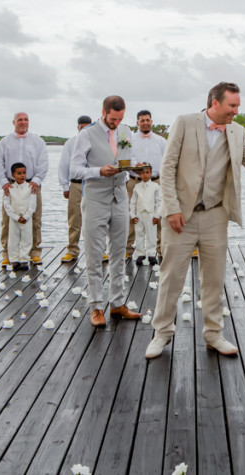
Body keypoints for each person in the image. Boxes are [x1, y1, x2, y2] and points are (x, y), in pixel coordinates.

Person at [146, 82, 245, 359]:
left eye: (237, 106)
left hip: (216, 213)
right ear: (214, 103)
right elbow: (166, 168)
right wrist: (172, 208)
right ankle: (161, 333)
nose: (236, 112)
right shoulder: (184, 123)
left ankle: (214, 334)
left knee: (214, 278)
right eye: (232, 106)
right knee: (171, 277)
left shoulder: (238, 132)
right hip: (181, 215)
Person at [70, 96, 142, 327]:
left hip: (120, 196)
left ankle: (118, 303)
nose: (116, 123)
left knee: (120, 252)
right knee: (94, 253)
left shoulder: (125, 131)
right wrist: (99, 171)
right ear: (103, 112)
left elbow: (127, 159)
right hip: (95, 199)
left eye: (120, 119)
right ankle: (96, 307)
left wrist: (136, 168)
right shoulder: (86, 134)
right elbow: (75, 169)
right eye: (113, 119)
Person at [0, 112, 49, 268]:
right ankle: (7, 254)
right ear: (14, 122)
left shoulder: (38, 141)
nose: (23, 122)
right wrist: (4, 183)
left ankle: (35, 252)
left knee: (35, 219)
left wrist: (37, 181)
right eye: (20, 120)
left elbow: (43, 163)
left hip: (32, 184)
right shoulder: (4, 142)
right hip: (10, 186)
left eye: (26, 120)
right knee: (7, 220)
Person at [58, 115, 104, 264]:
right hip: (76, 185)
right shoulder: (71, 143)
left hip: (93, 184)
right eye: (81, 127)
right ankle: (72, 250)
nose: (84, 129)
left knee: (96, 219)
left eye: (87, 126)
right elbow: (64, 164)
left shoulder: (97, 142)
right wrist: (65, 186)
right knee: (74, 219)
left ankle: (99, 251)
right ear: (77, 127)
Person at [125, 110, 166, 260]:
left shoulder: (161, 141)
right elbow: (125, 159)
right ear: (137, 123)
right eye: (142, 120)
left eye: (148, 120)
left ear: (151, 121)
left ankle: (161, 250)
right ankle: (128, 249)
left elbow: (167, 161)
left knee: (159, 216)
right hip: (135, 181)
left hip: (156, 181)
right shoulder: (130, 140)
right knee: (132, 215)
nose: (145, 123)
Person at [3, 162, 37, 272]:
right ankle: (14, 259)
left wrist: (26, 216)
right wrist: (15, 217)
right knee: (13, 239)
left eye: (24, 173)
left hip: (27, 218)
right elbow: (6, 204)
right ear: (13, 175)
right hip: (14, 218)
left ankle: (24, 259)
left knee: (27, 239)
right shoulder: (10, 188)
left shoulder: (30, 187)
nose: (22, 175)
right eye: (19, 173)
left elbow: (32, 204)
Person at [129, 164, 161, 266]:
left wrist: (157, 215)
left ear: (151, 173)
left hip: (151, 214)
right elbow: (133, 202)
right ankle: (140, 254)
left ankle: (152, 254)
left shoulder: (156, 187)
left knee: (151, 234)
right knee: (139, 234)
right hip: (139, 214)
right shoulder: (136, 187)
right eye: (142, 173)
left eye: (147, 172)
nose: (145, 175)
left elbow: (158, 202)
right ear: (139, 174)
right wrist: (132, 215)